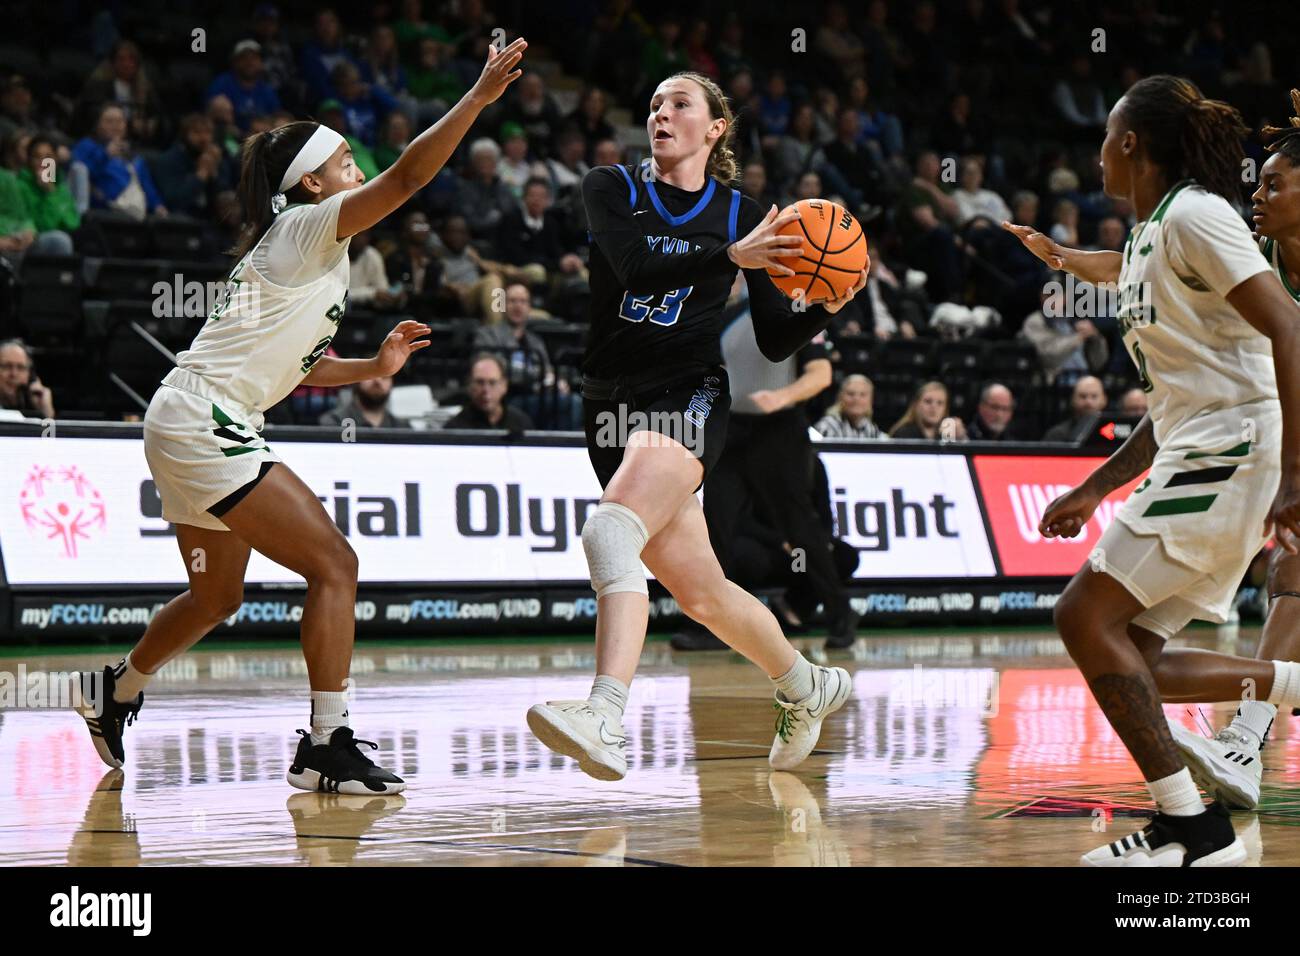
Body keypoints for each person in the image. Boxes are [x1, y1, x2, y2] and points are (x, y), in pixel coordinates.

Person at [72, 38, 528, 797]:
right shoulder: (308, 227)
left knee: (217, 597)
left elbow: (301, 366)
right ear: (311, 180)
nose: (358, 166)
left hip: (191, 417)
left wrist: (374, 369)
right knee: (335, 565)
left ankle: (114, 689)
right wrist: (476, 98)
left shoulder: (306, 251)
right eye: (346, 159)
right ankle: (327, 741)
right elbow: (412, 174)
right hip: (203, 419)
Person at [524, 71, 867, 782]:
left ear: (715, 128)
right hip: (607, 403)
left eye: (679, 103)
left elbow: (775, 338)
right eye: (652, 104)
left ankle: (605, 716)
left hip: (689, 393)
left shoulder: (747, 213)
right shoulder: (610, 187)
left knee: (609, 529)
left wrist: (832, 301)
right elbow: (634, 266)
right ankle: (806, 686)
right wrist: (728, 258)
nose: (660, 113)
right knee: (703, 595)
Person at [1003, 75, 1300, 866]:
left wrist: (1296, 471)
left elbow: (1289, 326)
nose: (1097, 151)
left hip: (1236, 448)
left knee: (1080, 618)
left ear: (1130, 142)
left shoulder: (1200, 214)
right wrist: (1095, 486)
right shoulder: (1150, 237)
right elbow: (1130, 293)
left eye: (1105, 135)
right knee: (1133, 656)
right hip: (1205, 446)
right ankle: (1266, 714)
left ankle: (1192, 828)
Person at [673, 270, 857, 652]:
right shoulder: (727, 317)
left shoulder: (798, 310)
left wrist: (782, 397)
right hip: (734, 430)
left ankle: (840, 613)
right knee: (716, 523)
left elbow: (821, 374)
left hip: (779, 432)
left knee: (801, 527)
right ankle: (712, 625)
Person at [444, 353, 533, 433]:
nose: (486, 390)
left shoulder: (521, 423)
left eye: (492, 383)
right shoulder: (455, 429)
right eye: (479, 382)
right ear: (469, 385)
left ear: (504, 386)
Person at [205, 40, 282, 134]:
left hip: (261, 136)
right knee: (219, 103)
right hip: (232, 136)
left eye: (254, 58)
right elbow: (208, 111)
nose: (250, 63)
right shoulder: (223, 82)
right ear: (235, 62)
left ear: (261, 63)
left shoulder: (266, 88)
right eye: (244, 58)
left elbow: (276, 114)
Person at [318, 374, 409, 428]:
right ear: (357, 380)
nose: (377, 381)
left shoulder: (402, 427)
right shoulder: (334, 422)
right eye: (370, 375)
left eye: (385, 377)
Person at [816, 374, 886, 439]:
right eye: (851, 394)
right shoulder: (826, 427)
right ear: (840, 398)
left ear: (871, 400)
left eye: (863, 394)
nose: (856, 399)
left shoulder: (871, 429)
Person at [1041, 374, 1107, 443]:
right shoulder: (1057, 435)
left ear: (1104, 400)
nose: (1088, 402)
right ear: (1073, 400)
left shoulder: (1114, 434)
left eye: (1094, 396)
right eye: (1083, 396)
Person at [889, 380, 964, 440]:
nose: (934, 407)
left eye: (940, 403)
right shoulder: (902, 434)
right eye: (928, 401)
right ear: (916, 404)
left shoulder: (949, 435)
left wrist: (961, 439)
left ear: (945, 408)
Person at [0, 339, 54, 418]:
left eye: (21, 367)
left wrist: (46, 412)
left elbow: (50, 430)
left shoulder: (33, 400)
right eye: (7, 366)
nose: (14, 374)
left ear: (30, 375)